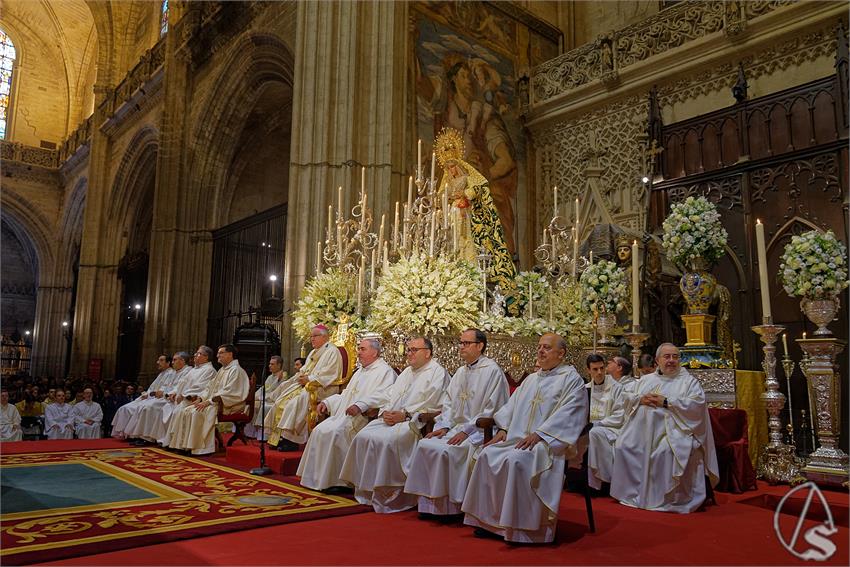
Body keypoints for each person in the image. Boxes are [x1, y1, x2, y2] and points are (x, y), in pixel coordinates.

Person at [461, 333, 588, 544]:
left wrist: (540, 434)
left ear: (561, 353)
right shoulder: (532, 378)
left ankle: (522, 529)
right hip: (517, 439)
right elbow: (511, 407)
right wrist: (503, 429)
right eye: (539, 346)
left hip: (546, 443)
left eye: (547, 347)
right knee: (486, 454)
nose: (540, 351)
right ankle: (489, 522)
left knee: (516, 460)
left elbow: (572, 413)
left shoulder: (571, 380)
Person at [404, 328, 509, 519]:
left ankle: (452, 507)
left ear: (480, 346)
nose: (461, 347)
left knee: (449, 450)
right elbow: (449, 404)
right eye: (460, 343)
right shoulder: (461, 372)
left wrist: (467, 431)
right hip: (454, 428)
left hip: (479, 431)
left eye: (466, 343)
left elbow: (492, 410)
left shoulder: (492, 371)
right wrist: (443, 427)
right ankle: (430, 505)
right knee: (426, 444)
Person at [340, 337, 449, 512]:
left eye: (414, 350)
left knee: (386, 441)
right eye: (408, 350)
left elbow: (435, 404)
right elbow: (390, 395)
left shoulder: (437, 372)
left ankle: (388, 495)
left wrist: (405, 414)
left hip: (413, 423)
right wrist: (386, 412)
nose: (409, 354)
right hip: (393, 419)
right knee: (363, 436)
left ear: (427, 353)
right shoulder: (407, 372)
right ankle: (367, 491)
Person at [610, 343, 719, 513]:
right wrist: (640, 399)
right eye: (667, 357)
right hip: (641, 433)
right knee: (623, 446)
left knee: (664, 453)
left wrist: (667, 402)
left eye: (675, 357)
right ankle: (635, 494)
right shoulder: (646, 380)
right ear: (657, 360)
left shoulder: (688, 382)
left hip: (676, 433)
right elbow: (625, 396)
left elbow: (696, 405)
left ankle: (666, 499)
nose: (671, 361)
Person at [297, 337, 396, 492]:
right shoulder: (361, 371)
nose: (358, 353)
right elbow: (346, 395)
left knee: (335, 433)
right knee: (319, 430)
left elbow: (385, 396)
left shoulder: (385, 372)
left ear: (375, 352)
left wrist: (360, 405)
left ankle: (341, 482)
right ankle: (317, 478)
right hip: (344, 416)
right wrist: (327, 402)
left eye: (363, 349)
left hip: (362, 418)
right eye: (359, 348)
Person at [436, 128, 516, 297]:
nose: (451, 170)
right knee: (452, 239)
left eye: (453, 166)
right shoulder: (447, 181)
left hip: (465, 211)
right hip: (452, 213)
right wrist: (444, 199)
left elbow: (478, 188)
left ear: (458, 164)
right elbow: (439, 197)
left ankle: (470, 266)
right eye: (448, 167)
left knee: (466, 240)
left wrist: (465, 194)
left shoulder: (466, 177)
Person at [267, 325, 342, 451]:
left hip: (323, 387)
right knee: (281, 400)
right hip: (307, 385)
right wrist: (301, 377)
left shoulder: (333, 351)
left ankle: (291, 440)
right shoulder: (313, 352)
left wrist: (309, 379)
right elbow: (305, 369)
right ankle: (280, 437)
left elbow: (330, 373)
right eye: (311, 336)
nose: (312, 339)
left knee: (294, 403)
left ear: (324, 336)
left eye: (315, 336)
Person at [165, 344, 249, 456]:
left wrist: (209, 401)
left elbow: (230, 392)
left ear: (230, 354)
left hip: (229, 405)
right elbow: (210, 388)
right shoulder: (223, 370)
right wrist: (200, 398)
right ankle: (185, 446)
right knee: (188, 410)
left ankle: (202, 448)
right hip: (216, 403)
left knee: (197, 412)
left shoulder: (236, 371)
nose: (218, 355)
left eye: (221, 353)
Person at [127, 352, 192, 444]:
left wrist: (165, 393)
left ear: (182, 361)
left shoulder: (188, 371)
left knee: (149, 407)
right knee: (145, 406)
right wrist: (160, 392)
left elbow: (180, 387)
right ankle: (141, 436)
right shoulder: (176, 372)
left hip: (174, 398)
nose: (172, 362)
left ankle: (148, 438)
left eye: (174, 360)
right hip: (167, 397)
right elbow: (167, 386)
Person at [158, 346, 217, 447]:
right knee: (173, 409)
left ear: (206, 357)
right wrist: (175, 392)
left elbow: (201, 387)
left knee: (179, 411)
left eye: (198, 353)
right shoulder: (194, 369)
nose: (195, 355)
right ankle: (173, 443)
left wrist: (184, 395)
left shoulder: (209, 370)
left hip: (194, 399)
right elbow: (182, 383)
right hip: (182, 399)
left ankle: (181, 445)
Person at [112, 355, 174, 438]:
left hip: (158, 399)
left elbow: (161, 391)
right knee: (124, 408)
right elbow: (152, 388)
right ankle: (124, 434)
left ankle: (138, 435)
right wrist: (146, 394)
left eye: (161, 360)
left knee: (142, 408)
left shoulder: (171, 373)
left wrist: (148, 395)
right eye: (158, 360)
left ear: (168, 363)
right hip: (149, 397)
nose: (157, 362)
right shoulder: (162, 374)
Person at [246, 356, 291, 441]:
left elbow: (279, 392)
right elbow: (264, 389)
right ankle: (252, 433)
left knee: (264, 407)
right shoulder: (270, 376)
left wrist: (262, 398)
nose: (269, 366)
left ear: (279, 365)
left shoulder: (283, 377)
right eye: (269, 364)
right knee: (252, 404)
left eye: (272, 364)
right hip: (265, 399)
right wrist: (254, 396)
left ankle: (264, 436)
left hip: (275, 401)